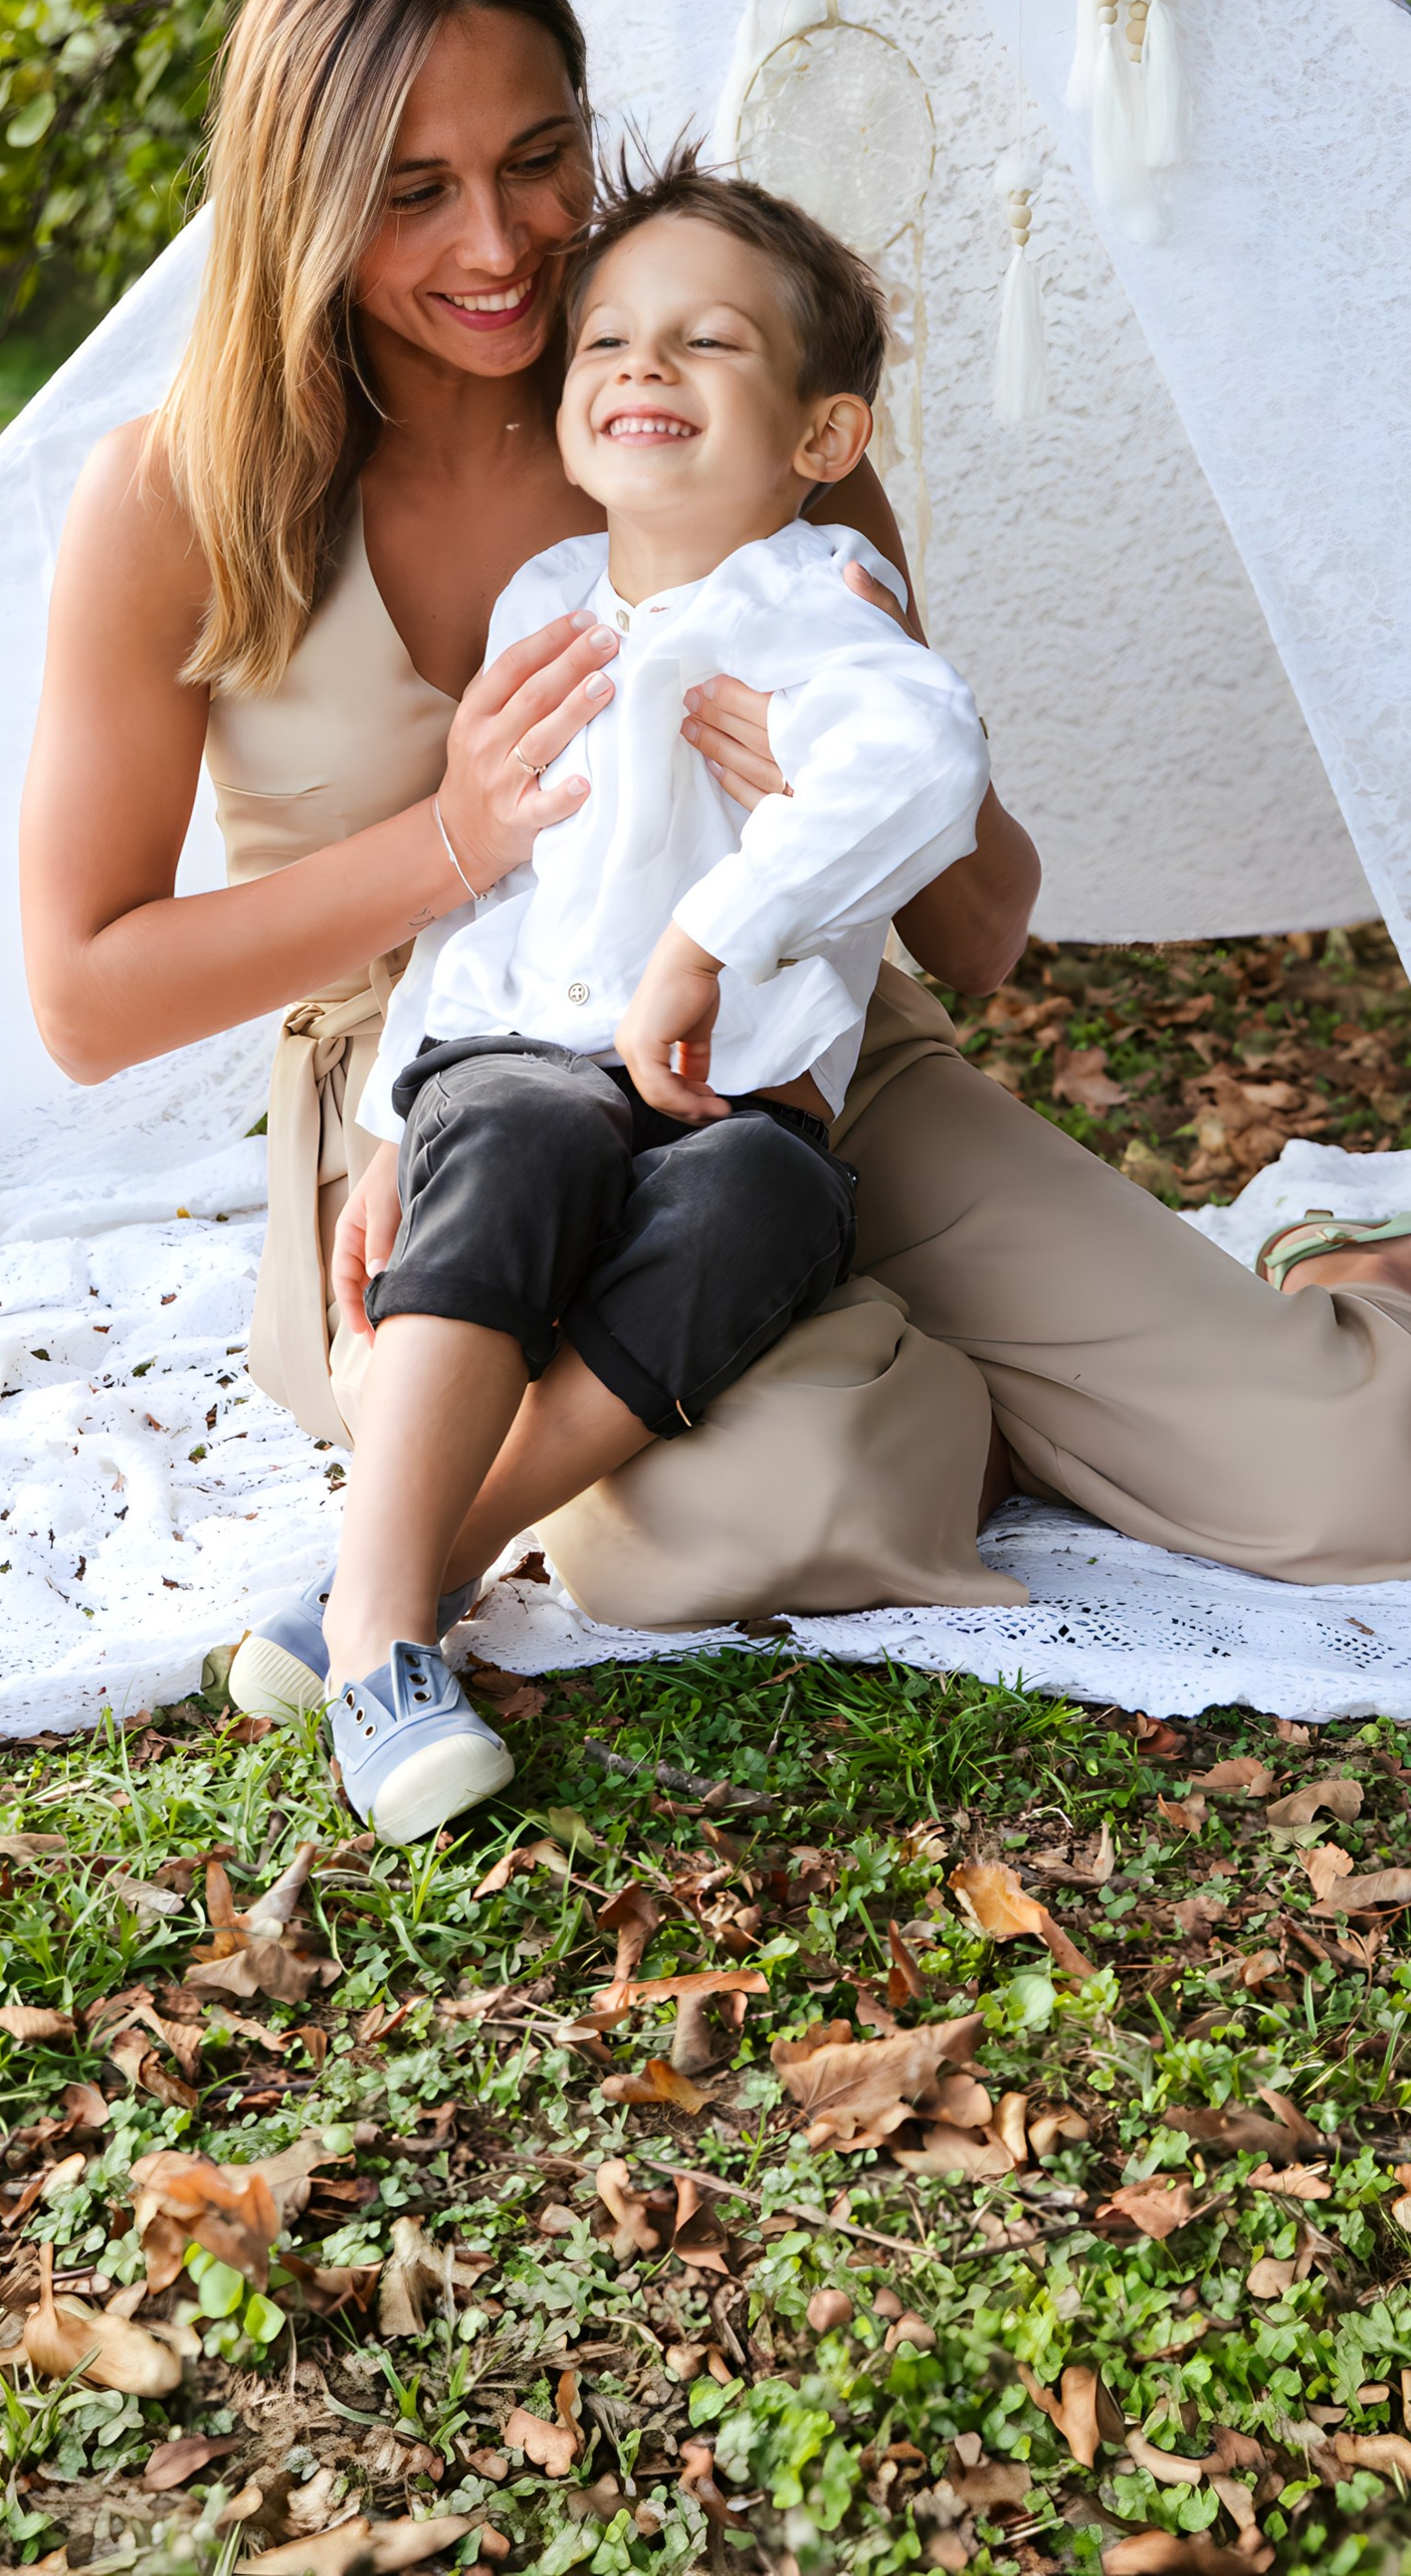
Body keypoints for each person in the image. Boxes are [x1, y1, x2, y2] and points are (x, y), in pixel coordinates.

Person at [21, 0, 1411, 1697]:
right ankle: (963, 1382)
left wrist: (830, 797)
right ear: (303, 192)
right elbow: (87, 995)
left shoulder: (705, 387)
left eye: (543, 158)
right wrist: (451, 842)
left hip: (802, 1060)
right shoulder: (179, 495)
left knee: (1377, 1479)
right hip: (449, 1123)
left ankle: (1334, 1289)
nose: (502, 243)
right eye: (415, 192)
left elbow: (985, 925)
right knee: (723, 1522)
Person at [227, 149, 995, 1837]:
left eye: (706, 343)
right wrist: (385, 1120)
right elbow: (489, 887)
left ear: (821, 440)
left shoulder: (824, 604)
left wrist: (716, 932)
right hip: (520, 1054)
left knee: (768, 1206)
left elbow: (926, 765)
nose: (642, 366)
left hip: (725, 1095)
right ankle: (382, 1628)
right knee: (514, 1145)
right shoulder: (546, 601)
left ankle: (404, 1572)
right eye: (607, 342)